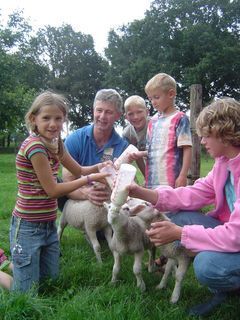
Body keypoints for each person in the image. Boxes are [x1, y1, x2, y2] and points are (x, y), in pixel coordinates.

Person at [128, 97, 240, 316]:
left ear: (224, 134)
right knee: (180, 216)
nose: (202, 141)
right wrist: (142, 193)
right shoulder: (224, 163)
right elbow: (194, 193)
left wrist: (180, 234)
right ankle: (226, 283)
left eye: (206, 135)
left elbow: (236, 236)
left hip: (236, 235)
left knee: (207, 266)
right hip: (232, 232)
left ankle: (227, 285)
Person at [10, 91, 110, 293]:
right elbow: (53, 190)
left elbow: (79, 170)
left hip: (48, 224)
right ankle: (7, 270)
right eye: (46, 118)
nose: (53, 124)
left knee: (49, 282)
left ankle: (19, 266)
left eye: (58, 118)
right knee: (27, 293)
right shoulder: (35, 147)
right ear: (33, 119)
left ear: (64, 120)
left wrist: (102, 167)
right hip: (28, 225)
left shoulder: (57, 144)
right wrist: (90, 179)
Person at [144, 73, 192, 269]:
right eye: (150, 99)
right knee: (154, 217)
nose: (153, 102)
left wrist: (182, 175)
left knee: (170, 219)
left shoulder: (180, 119)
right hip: (153, 180)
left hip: (172, 180)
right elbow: (150, 150)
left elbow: (187, 147)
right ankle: (157, 255)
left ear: (171, 94)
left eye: (156, 97)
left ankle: (172, 258)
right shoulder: (152, 121)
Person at [61, 88, 129, 207]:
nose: (102, 116)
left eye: (108, 112)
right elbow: (67, 181)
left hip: (108, 200)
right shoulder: (74, 139)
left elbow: (119, 185)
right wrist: (85, 193)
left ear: (118, 116)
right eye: (99, 110)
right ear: (93, 111)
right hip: (78, 201)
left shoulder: (122, 147)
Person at [122, 95, 149, 176]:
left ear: (147, 112)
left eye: (139, 112)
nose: (136, 117)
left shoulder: (155, 125)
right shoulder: (127, 134)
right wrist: (146, 177)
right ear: (126, 117)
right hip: (147, 163)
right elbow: (137, 158)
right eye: (131, 114)